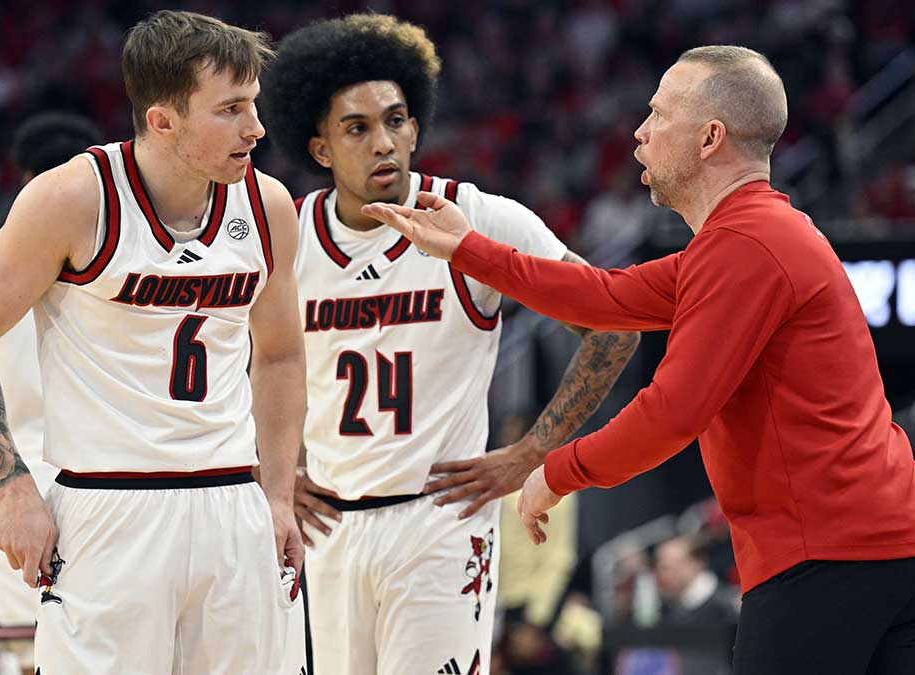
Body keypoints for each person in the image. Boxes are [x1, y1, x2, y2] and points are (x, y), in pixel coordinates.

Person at [364, 45, 915, 675]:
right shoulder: (748, 237)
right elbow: (605, 295)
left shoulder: (744, 246)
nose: (639, 132)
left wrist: (555, 470)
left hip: (830, 552)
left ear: (709, 138)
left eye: (657, 114)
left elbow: (675, 410)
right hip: (898, 541)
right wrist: (467, 248)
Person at [261, 13, 639, 674]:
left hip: (438, 524)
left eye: (396, 119)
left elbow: (614, 323)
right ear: (320, 147)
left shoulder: (481, 218)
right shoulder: (284, 238)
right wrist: (272, 472)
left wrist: (532, 450)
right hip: (327, 530)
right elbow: (221, 360)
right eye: (358, 127)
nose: (384, 142)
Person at [0, 10, 306, 674]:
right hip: (108, 505)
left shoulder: (268, 205)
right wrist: (13, 486)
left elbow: (278, 353)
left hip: (231, 504)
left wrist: (278, 492)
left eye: (252, 104)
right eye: (231, 109)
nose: (257, 127)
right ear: (163, 121)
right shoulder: (71, 199)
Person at [0, 111, 100, 675]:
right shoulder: (106, 263)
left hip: (13, 477)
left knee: (22, 660)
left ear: (22, 181)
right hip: (93, 476)